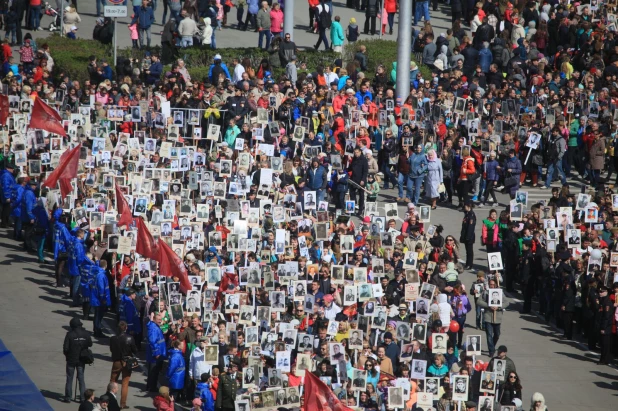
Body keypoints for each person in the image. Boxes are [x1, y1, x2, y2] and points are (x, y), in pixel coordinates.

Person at [63, 318, 92, 403]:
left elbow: (65, 348)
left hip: (71, 360)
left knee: (69, 378)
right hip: (81, 359)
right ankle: (83, 398)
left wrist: (68, 356)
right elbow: (90, 344)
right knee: (81, 379)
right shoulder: (86, 333)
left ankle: (68, 397)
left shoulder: (69, 334)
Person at [109, 321, 138, 408]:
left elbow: (111, 349)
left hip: (117, 361)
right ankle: (123, 403)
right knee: (125, 383)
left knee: (113, 381)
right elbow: (135, 350)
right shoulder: (130, 338)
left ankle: (110, 401)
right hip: (127, 362)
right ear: (126, 328)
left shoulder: (113, 338)